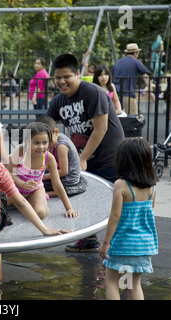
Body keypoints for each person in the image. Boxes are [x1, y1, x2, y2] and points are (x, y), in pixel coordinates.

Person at [46, 53, 125, 253]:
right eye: (57, 78)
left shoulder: (93, 93)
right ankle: (89, 239)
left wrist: (82, 158)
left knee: (114, 199)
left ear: (78, 74)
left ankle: (119, 243)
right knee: (83, 196)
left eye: (66, 77)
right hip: (82, 157)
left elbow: (100, 128)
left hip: (108, 155)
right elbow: (45, 127)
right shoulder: (58, 102)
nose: (62, 82)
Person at [99, 137, 159, 300]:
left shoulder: (121, 185)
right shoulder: (152, 187)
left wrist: (105, 243)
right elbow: (149, 214)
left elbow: (115, 216)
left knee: (111, 281)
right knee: (134, 284)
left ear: (123, 161)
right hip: (144, 244)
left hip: (123, 243)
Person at [7, 122, 79, 220]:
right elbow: (10, 173)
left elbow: (57, 184)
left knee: (41, 213)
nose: (41, 147)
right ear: (27, 142)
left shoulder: (49, 158)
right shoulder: (20, 150)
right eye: (36, 143)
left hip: (34, 190)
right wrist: (22, 184)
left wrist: (69, 208)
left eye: (44, 143)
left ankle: (33, 201)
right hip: (15, 187)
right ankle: (20, 202)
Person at [36, 116, 87, 198]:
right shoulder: (54, 140)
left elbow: (64, 171)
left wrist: (44, 177)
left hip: (69, 179)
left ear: (56, 132)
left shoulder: (61, 146)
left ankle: (50, 193)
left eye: (47, 141)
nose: (46, 145)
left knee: (37, 184)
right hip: (60, 173)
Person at [111, 43, 151, 115]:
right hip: (128, 93)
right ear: (136, 53)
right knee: (132, 117)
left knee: (116, 117)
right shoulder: (136, 62)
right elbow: (145, 75)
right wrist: (150, 89)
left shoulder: (118, 62)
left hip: (115, 93)